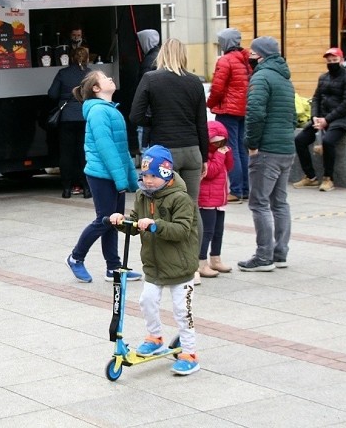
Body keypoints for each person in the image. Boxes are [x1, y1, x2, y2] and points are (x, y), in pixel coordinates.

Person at [107, 145, 200, 376]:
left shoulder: (180, 198)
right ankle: (155, 336)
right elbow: (137, 223)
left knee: (182, 311)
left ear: (166, 175)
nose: (148, 181)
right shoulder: (142, 195)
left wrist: (156, 225)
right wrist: (122, 222)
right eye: (145, 176)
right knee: (146, 302)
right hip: (154, 265)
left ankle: (190, 353)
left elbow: (181, 229)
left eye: (153, 176)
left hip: (180, 266)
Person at [130, 38, 208, 283]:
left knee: (164, 207)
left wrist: (158, 122)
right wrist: (203, 156)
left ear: (161, 55)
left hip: (164, 155)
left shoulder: (151, 79)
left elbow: (135, 115)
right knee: (191, 209)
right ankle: (194, 266)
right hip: (192, 150)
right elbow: (201, 123)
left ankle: (171, 264)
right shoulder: (195, 81)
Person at [65, 71, 142, 284]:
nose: (110, 79)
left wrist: (129, 177)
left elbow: (121, 149)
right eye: (104, 78)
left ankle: (113, 268)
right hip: (102, 175)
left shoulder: (108, 109)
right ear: (96, 89)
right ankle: (75, 257)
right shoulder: (99, 111)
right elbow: (106, 148)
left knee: (113, 222)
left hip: (110, 173)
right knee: (104, 220)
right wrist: (121, 179)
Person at [239, 37, 296, 271]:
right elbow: (292, 116)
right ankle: (280, 252)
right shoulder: (285, 79)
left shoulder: (261, 77)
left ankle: (264, 256)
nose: (249, 57)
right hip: (286, 148)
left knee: (260, 202)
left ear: (261, 55)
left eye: (252, 53)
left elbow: (255, 114)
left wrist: (251, 143)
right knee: (280, 202)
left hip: (267, 151)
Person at [292, 48, 346, 192]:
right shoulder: (323, 78)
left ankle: (328, 178)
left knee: (328, 141)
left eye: (335, 60)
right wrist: (314, 116)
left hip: (342, 118)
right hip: (322, 117)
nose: (331, 63)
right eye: (329, 61)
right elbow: (316, 98)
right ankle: (310, 177)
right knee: (300, 140)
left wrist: (327, 120)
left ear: (342, 60)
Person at [206, 28, 252, 203]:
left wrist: (209, 104)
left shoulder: (225, 60)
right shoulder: (246, 60)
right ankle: (245, 189)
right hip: (244, 110)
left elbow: (218, 87)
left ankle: (236, 190)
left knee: (230, 149)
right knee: (242, 148)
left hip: (228, 110)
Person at [48, 46, 91, 198]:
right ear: (86, 58)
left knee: (66, 154)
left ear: (71, 57)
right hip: (86, 117)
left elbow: (52, 94)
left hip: (66, 118)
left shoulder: (63, 73)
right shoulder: (91, 74)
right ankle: (86, 188)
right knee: (83, 153)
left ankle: (67, 189)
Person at [197, 120, 233, 278]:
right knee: (207, 232)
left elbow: (230, 166)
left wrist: (227, 154)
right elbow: (210, 172)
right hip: (207, 201)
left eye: (222, 142)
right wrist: (219, 155)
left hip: (220, 199)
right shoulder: (204, 155)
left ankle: (215, 258)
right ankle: (201, 262)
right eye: (216, 142)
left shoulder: (221, 153)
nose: (219, 145)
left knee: (219, 231)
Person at [135, 29, 160, 153]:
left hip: (148, 111)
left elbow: (145, 89)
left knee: (146, 149)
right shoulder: (159, 56)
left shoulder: (149, 61)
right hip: (157, 109)